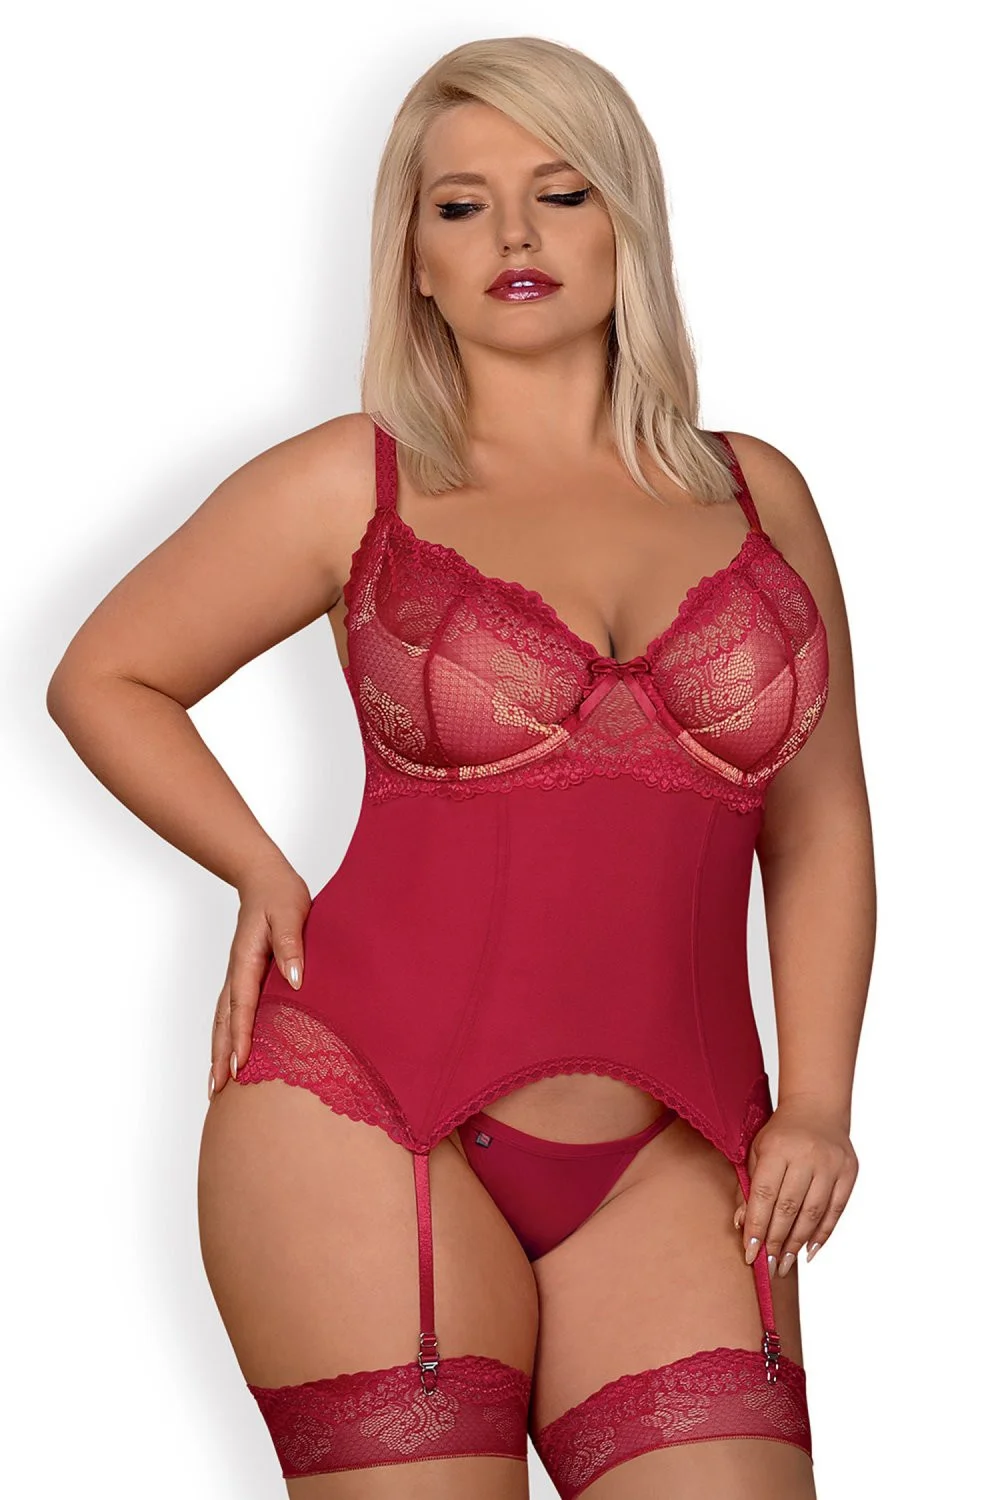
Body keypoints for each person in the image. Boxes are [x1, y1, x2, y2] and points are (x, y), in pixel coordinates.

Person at [46, 34, 874, 1500]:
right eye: (460, 205)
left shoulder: (759, 496)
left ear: (627, 225)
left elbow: (818, 825)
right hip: (360, 1107)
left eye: (560, 192)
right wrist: (258, 869)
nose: (513, 237)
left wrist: (818, 1101)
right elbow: (107, 676)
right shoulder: (350, 480)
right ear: (415, 261)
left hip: (683, 1148)